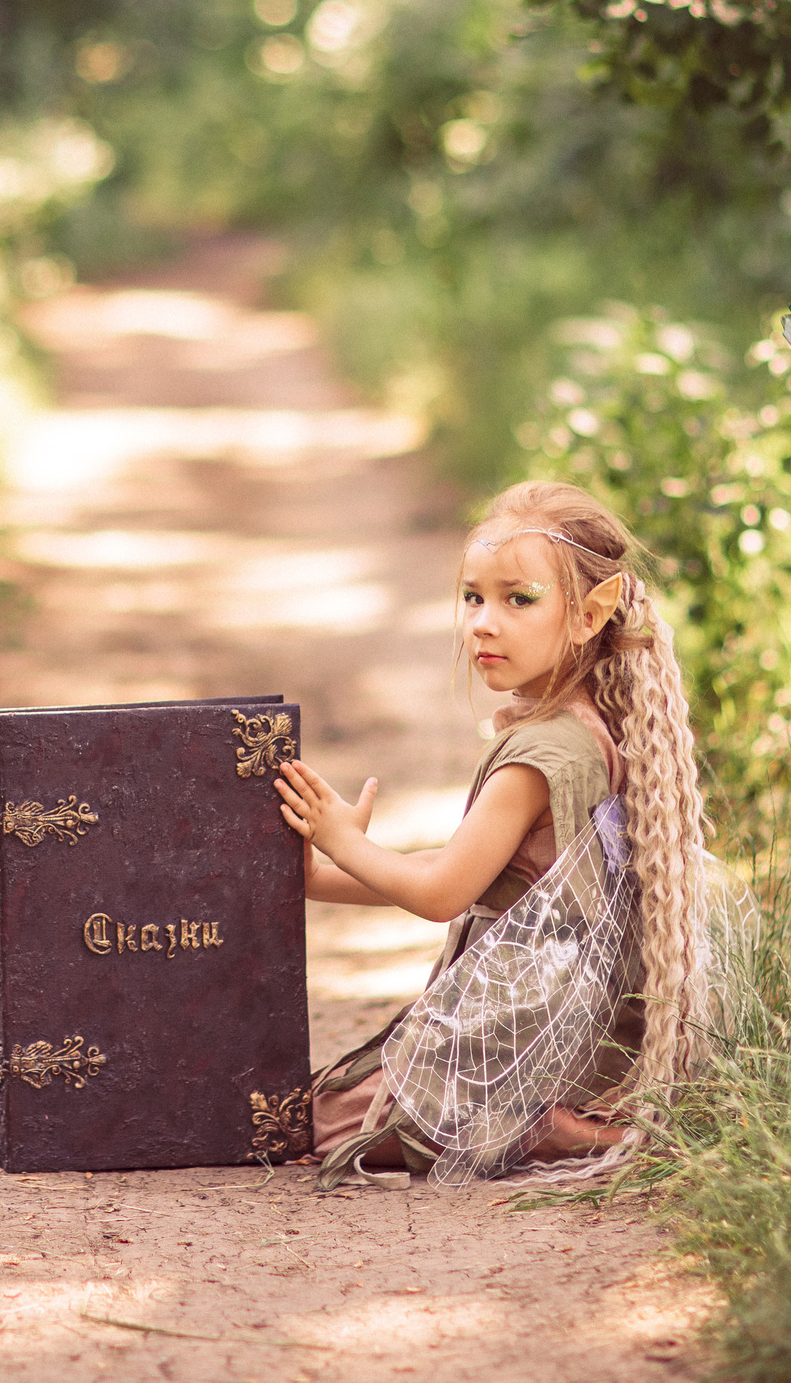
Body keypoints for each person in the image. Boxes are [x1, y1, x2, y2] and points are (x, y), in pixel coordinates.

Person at [275, 478, 732, 1188]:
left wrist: (345, 840)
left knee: (297, 1122)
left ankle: (541, 1129)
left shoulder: (537, 756)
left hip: (518, 1037)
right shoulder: (594, 727)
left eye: (519, 599)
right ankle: (550, 1117)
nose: (483, 624)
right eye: (472, 597)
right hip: (573, 1031)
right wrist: (321, 877)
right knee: (316, 1107)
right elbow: (478, 868)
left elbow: (442, 892)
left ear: (589, 615)